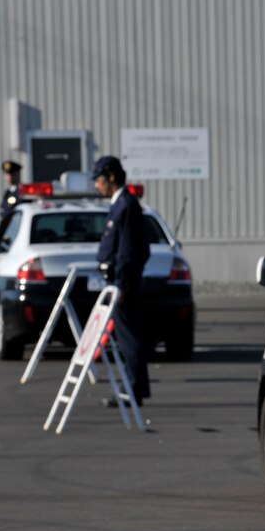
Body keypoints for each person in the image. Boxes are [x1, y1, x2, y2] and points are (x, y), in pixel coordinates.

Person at [93, 155, 151, 406]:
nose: (97, 185)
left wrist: (122, 283)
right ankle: (133, 388)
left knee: (129, 339)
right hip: (118, 281)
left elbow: (129, 250)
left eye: (99, 179)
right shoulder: (119, 204)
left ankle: (133, 390)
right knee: (126, 338)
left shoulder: (126, 205)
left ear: (111, 177)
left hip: (123, 283)